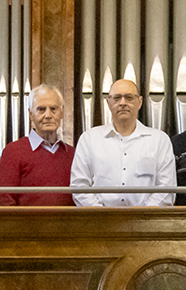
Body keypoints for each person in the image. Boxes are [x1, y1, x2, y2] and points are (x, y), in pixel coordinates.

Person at [70, 78, 176, 207]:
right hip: (99, 221)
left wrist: (146, 215)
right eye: (117, 98)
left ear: (140, 102)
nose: (123, 103)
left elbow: (166, 187)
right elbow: (79, 185)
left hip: (148, 222)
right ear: (108, 103)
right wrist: (99, 213)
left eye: (129, 98)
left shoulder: (159, 140)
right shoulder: (89, 139)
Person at [0, 85, 75, 206]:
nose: (48, 115)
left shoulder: (73, 154)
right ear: (31, 115)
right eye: (41, 109)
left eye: (53, 109)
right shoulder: (13, 152)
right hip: (25, 225)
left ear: (61, 113)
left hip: (68, 225)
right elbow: (4, 201)